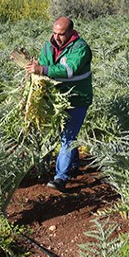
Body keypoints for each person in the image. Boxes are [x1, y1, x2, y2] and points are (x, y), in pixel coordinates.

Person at [25, 17, 93, 192]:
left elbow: (69, 70)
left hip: (78, 98)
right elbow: (44, 65)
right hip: (58, 99)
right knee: (66, 135)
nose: (57, 37)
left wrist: (43, 70)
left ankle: (61, 178)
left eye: (61, 34)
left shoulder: (81, 48)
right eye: (54, 33)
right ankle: (74, 163)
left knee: (67, 138)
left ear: (71, 32)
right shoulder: (48, 46)